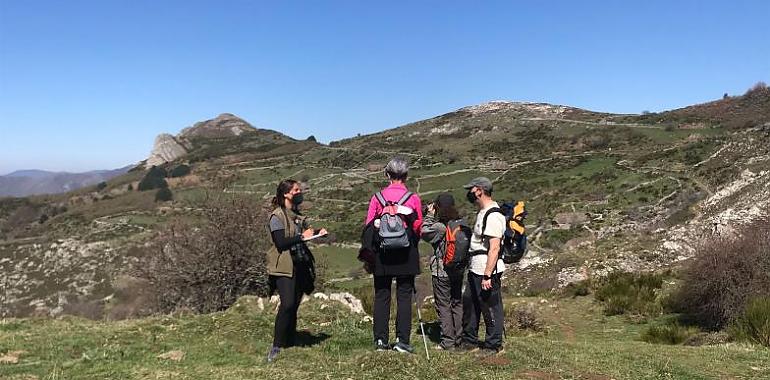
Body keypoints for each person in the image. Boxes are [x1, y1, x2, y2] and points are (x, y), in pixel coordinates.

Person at [365, 157, 423, 353]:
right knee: (404, 295)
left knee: (382, 295)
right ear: (406, 176)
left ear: (387, 175)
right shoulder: (413, 198)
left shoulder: (377, 198)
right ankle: (402, 341)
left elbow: (368, 227)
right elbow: (419, 228)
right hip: (406, 252)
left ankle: (380, 341)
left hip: (383, 253)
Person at [266, 179, 327, 363]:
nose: (299, 192)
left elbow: (304, 234)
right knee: (287, 304)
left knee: (294, 305)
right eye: (296, 190)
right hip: (284, 267)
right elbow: (281, 242)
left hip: (299, 265)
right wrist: (302, 237)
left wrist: (317, 231)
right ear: (286, 194)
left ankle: (290, 341)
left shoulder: (296, 214)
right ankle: (277, 346)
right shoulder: (277, 216)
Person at [460, 177, 506, 355]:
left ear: (479, 190)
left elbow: (494, 248)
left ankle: (493, 344)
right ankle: (469, 341)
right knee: (471, 304)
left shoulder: (493, 215)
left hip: (486, 270)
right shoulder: (483, 212)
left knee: (491, 306)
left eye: (471, 189)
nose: (470, 193)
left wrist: (487, 275)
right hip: (475, 269)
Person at [421, 193, 466, 350]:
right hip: (458, 270)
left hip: (442, 272)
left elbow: (424, 232)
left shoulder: (440, 227)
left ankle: (448, 341)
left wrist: (429, 215)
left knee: (443, 306)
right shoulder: (460, 224)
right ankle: (459, 338)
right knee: (457, 303)